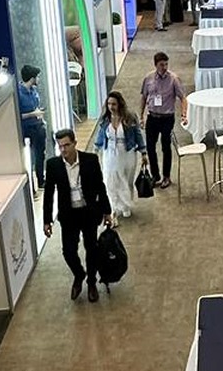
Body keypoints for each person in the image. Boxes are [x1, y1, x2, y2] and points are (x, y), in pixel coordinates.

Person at [43, 129, 112, 303]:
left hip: (89, 213)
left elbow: (100, 187)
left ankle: (91, 282)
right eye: (60, 146)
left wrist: (107, 211)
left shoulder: (90, 160)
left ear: (75, 143)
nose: (63, 149)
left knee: (92, 248)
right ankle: (79, 274)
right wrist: (47, 220)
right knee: (68, 251)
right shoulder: (53, 165)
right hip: (69, 215)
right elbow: (49, 194)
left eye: (66, 145)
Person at [94, 91, 148, 225]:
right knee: (110, 181)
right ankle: (113, 207)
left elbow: (138, 134)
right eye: (109, 104)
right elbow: (101, 135)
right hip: (110, 154)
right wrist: (95, 150)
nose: (111, 107)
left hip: (127, 154)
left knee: (126, 180)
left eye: (114, 104)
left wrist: (143, 152)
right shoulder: (105, 119)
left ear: (120, 104)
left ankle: (125, 205)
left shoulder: (130, 118)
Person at [139, 52, 187, 189]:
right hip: (152, 117)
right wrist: (141, 116)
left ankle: (167, 176)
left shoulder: (174, 79)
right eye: (161, 65)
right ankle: (155, 175)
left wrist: (184, 114)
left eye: (166, 64)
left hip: (167, 118)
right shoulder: (148, 79)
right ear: (155, 65)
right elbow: (143, 97)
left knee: (166, 147)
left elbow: (183, 98)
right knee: (150, 147)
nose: (164, 67)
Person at [18, 64, 47, 193]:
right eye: (37, 77)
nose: (38, 79)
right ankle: (31, 186)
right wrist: (33, 114)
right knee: (29, 158)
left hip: (38, 127)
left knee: (40, 154)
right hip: (27, 129)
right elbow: (18, 115)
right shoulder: (19, 94)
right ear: (32, 78)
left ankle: (41, 180)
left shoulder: (34, 91)